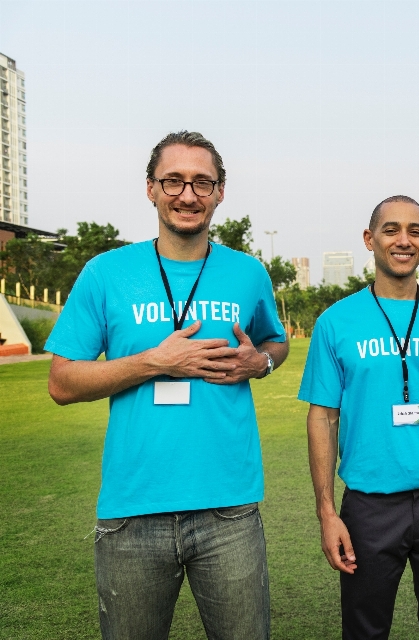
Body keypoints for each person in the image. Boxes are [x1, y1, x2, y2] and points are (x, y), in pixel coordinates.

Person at [45, 131, 288, 640]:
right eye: (173, 180)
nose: (187, 194)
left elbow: (274, 343)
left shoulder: (247, 273)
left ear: (221, 192)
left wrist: (260, 362)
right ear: (150, 189)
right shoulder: (105, 273)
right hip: (133, 511)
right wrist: (154, 361)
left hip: (229, 509)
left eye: (203, 182)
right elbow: (63, 382)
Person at [298, 195, 419, 640]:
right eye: (391, 230)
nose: (403, 240)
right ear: (370, 239)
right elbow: (322, 419)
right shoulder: (336, 321)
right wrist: (327, 512)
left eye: (414, 231)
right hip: (370, 507)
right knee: (365, 630)